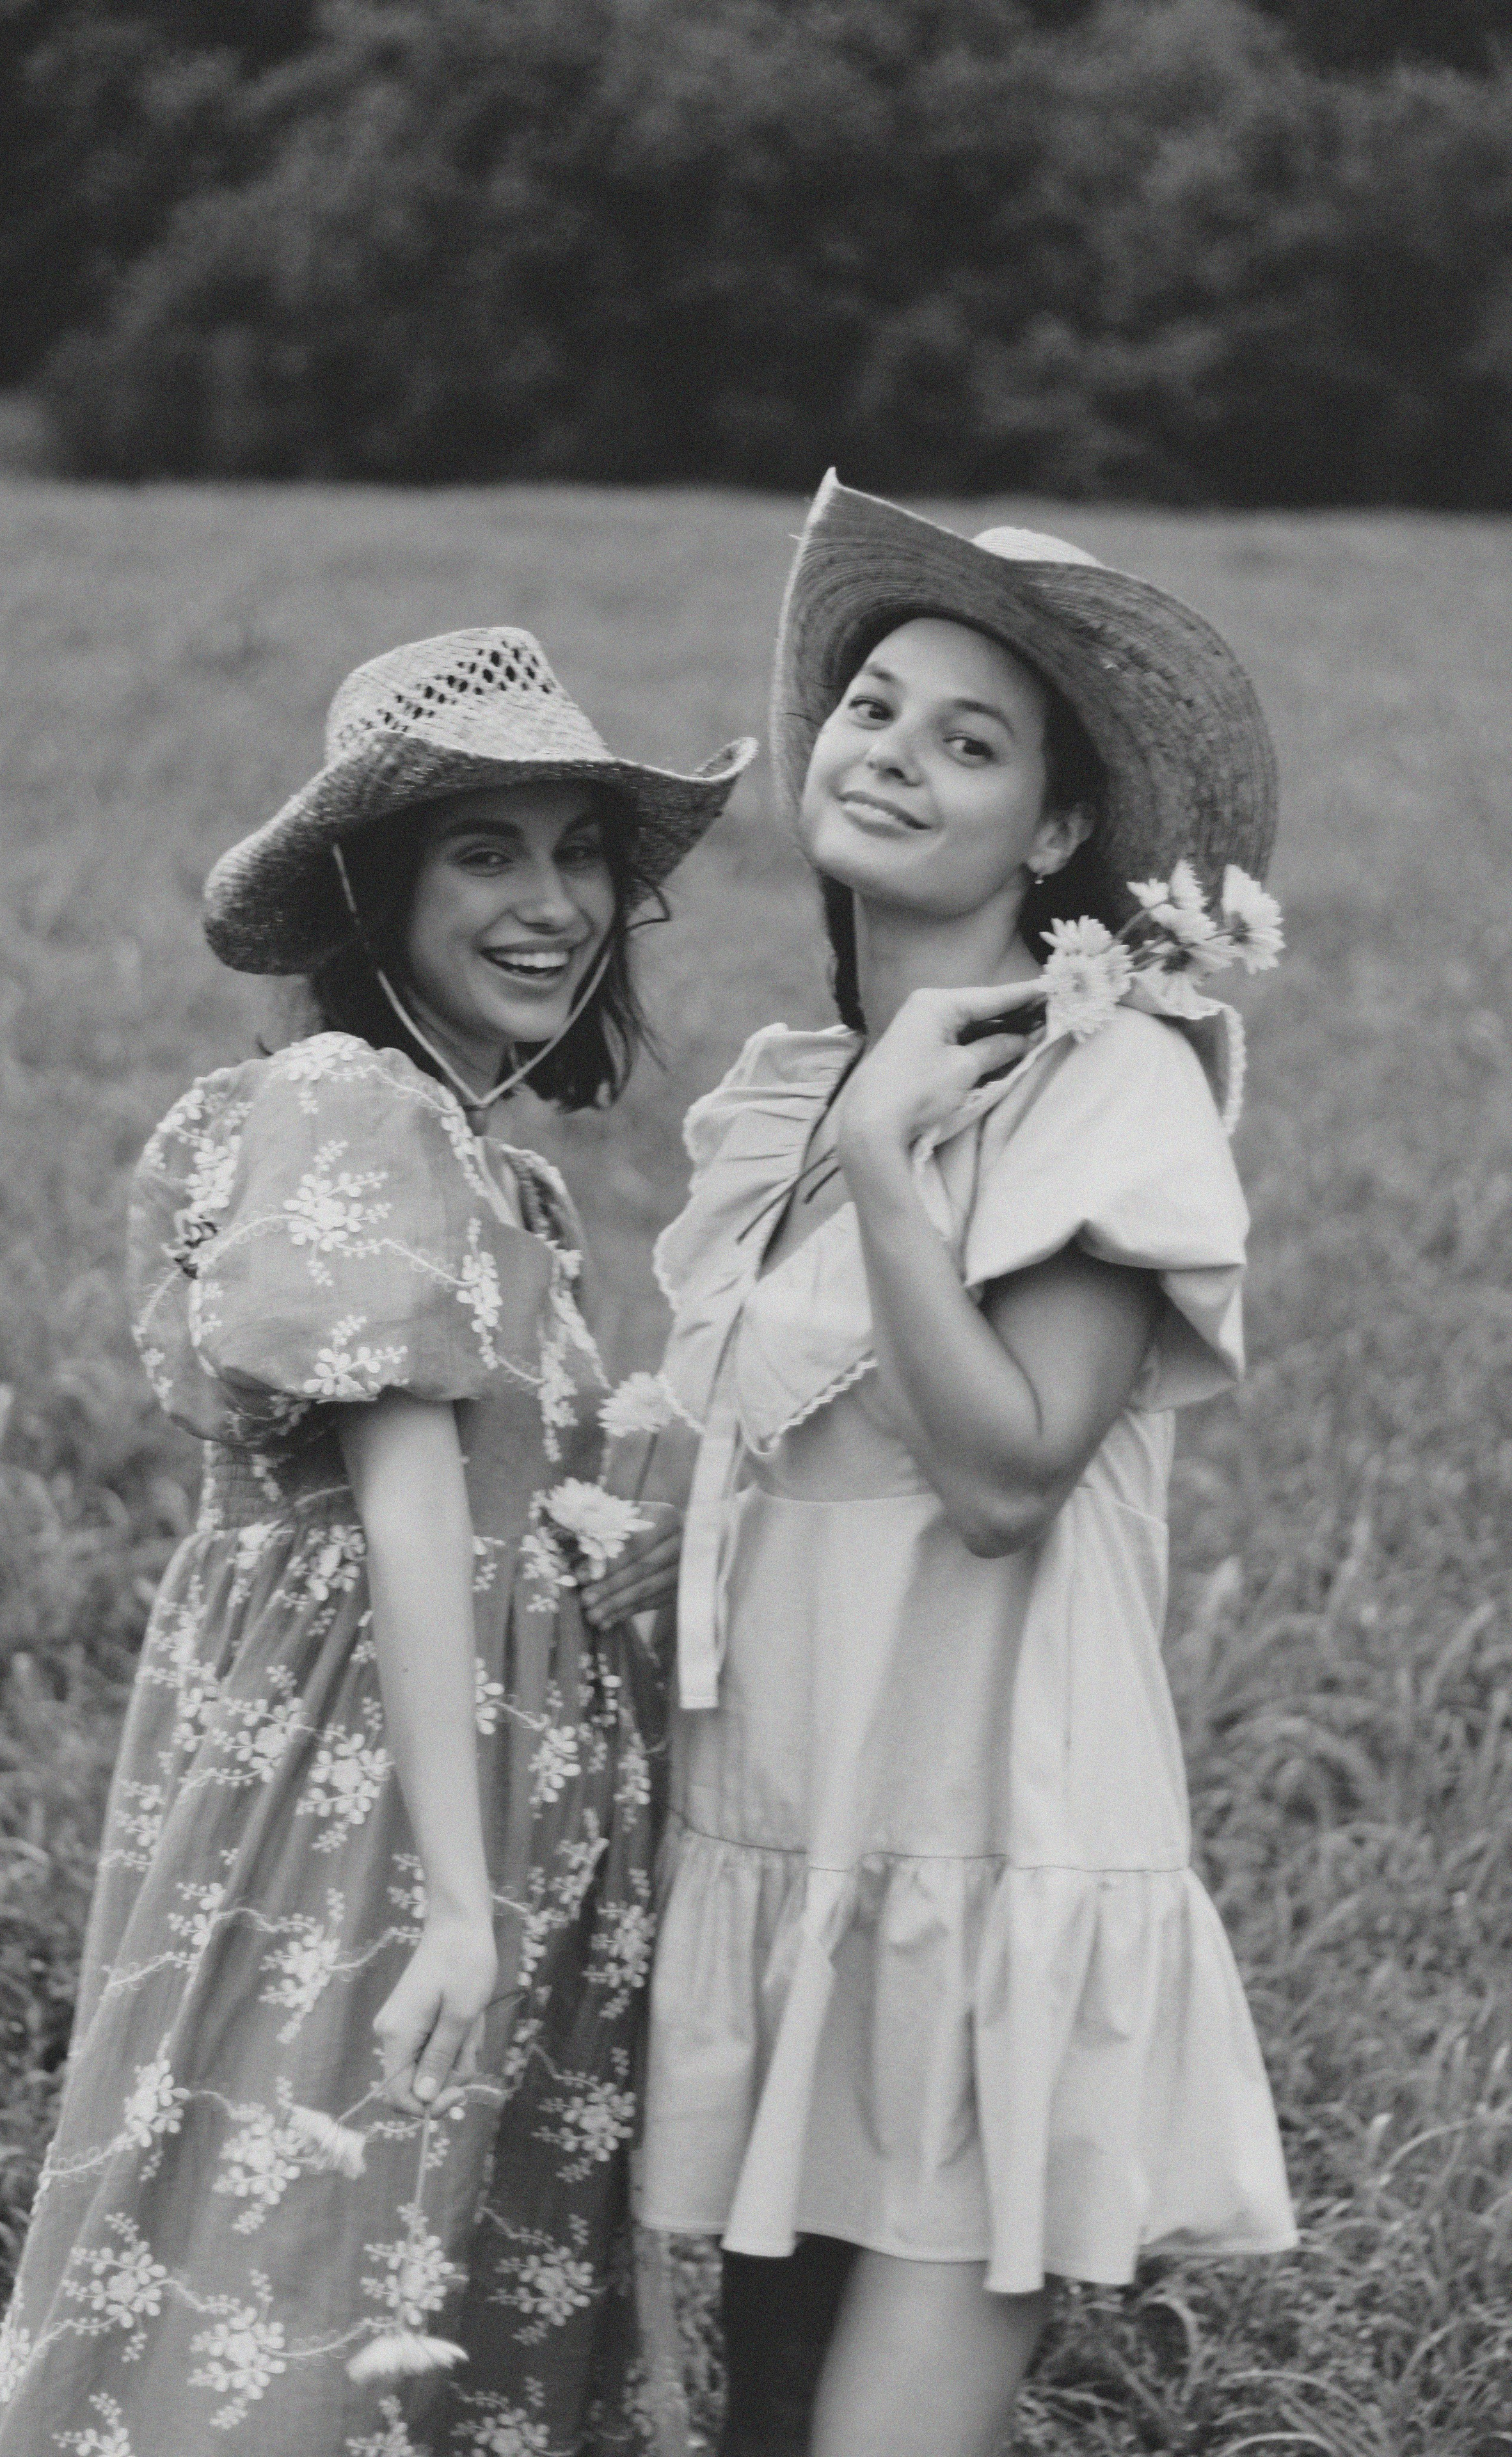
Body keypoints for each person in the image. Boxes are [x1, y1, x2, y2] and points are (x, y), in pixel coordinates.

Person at [0, 626, 754, 2457]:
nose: (552, 901)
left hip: (470, 1772)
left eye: (579, 853)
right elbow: (405, 1502)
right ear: (376, 885)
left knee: (410, 2251)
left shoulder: (502, 1163)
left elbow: (484, 1497)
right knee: (307, 2229)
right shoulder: (354, 1102)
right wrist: (465, 1907)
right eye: (486, 852)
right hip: (373, 1794)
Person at [619, 477, 1298, 2457]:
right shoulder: (793, 1099)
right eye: (875, 709)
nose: (895, 756)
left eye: (971, 741)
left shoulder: (1112, 1081)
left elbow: (1007, 1476)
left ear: (1061, 830)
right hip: (791, 1865)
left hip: (984, 1869)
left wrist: (892, 1172)